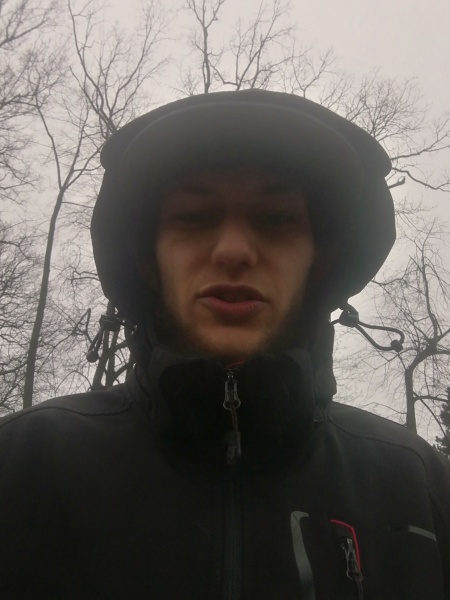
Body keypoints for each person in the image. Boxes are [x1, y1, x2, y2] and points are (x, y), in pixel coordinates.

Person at [0, 89, 449, 600]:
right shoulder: (23, 465)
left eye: (275, 219)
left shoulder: (418, 487)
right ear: (148, 260)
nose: (234, 251)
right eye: (194, 216)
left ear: (318, 262)